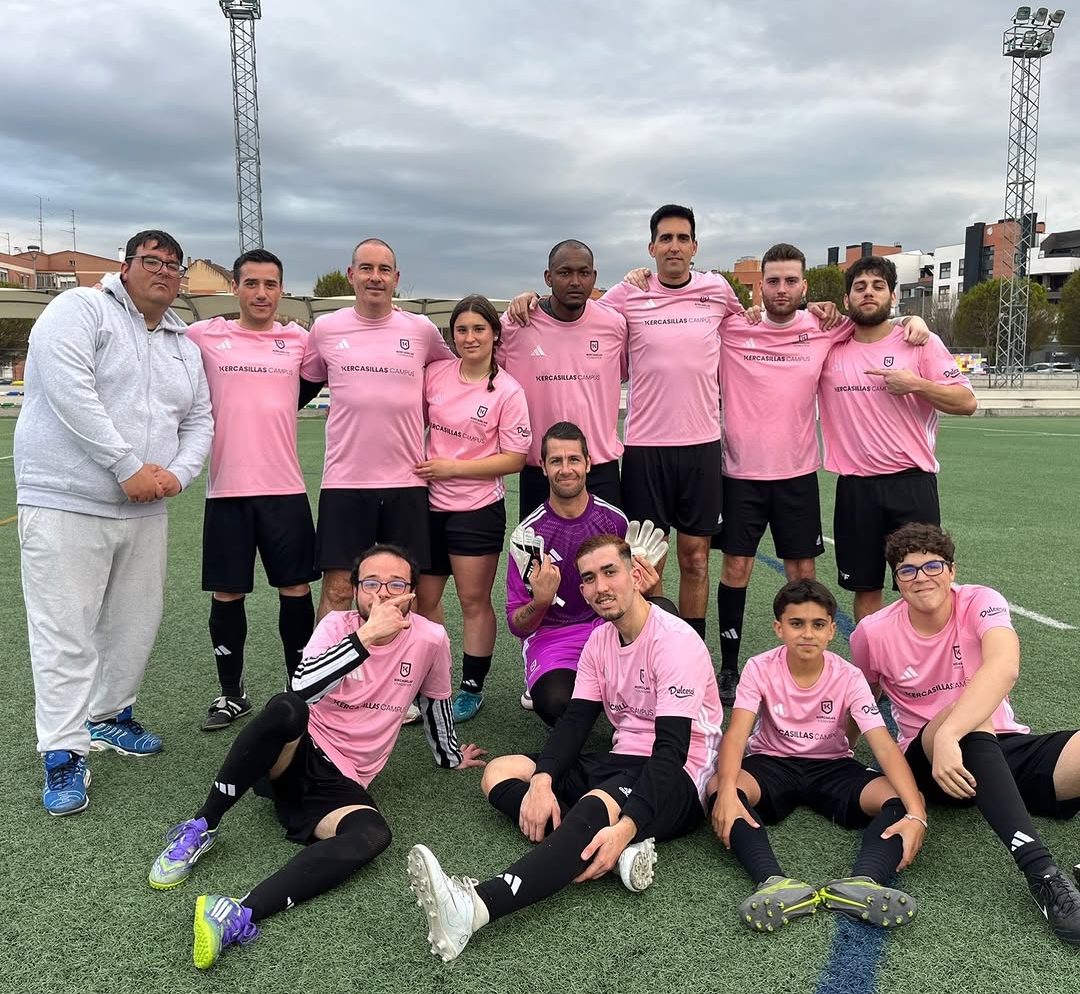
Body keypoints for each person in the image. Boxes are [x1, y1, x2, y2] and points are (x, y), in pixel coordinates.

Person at [146, 544, 486, 969]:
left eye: (396, 584)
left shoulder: (430, 638)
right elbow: (302, 688)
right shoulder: (335, 625)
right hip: (294, 751)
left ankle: (237, 910)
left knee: (373, 834)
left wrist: (451, 756)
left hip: (343, 782)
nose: (382, 594)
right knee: (285, 710)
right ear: (356, 589)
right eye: (372, 584)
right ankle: (201, 826)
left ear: (412, 594)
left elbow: (436, 700)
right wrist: (366, 637)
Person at [406, 534, 723, 962]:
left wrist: (628, 823)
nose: (600, 587)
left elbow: (671, 751)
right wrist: (541, 780)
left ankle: (476, 907)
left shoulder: (675, 642)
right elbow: (574, 724)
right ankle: (611, 855)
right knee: (499, 772)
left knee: (598, 804)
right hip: (622, 758)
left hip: (680, 776)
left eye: (610, 572)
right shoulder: (599, 641)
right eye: (589, 578)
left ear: (635, 574)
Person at [15, 229, 213, 816]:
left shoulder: (182, 341)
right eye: (152, 261)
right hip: (66, 500)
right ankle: (63, 752)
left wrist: (176, 474)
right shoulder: (77, 310)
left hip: (145, 508)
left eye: (173, 265)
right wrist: (125, 465)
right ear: (126, 267)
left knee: (134, 625)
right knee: (64, 631)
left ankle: (108, 716)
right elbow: (69, 391)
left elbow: (199, 419)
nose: (164, 272)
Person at [508, 207, 744, 642]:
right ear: (651, 247)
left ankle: (685, 650)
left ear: (695, 247)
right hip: (643, 449)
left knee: (695, 559)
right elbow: (563, 309)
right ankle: (624, 647)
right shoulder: (622, 296)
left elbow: (752, 324)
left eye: (683, 238)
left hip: (703, 446)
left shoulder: (718, 290)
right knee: (642, 562)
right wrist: (526, 299)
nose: (674, 246)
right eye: (665, 238)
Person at [707, 244, 927, 704]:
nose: (781, 289)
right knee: (736, 567)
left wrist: (915, 321)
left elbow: (877, 322)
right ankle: (728, 667)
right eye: (773, 281)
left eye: (791, 281)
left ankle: (799, 662)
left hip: (798, 475)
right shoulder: (732, 327)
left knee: (803, 572)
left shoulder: (824, 327)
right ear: (760, 286)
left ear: (805, 287)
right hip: (740, 474)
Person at [850, 522, 1080, 945]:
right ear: (896, 581)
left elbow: (1004, 666)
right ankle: (1043, 876)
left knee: (980, 717)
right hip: (928, 761)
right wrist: (840, 753)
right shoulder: (873, 632)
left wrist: (952, 735)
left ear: (952, 570)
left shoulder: (980, 600)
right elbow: (859, 695)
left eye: (932, 565)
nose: (922, 577)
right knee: (970, 713)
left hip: (993, 745)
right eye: (907, 570)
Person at [710, 579, 926, 933]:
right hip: (772, 763)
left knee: (905, 798)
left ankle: (864, 884)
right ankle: (773, 883)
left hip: (832, 766)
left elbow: (883, 744)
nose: (807, 634)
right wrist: (727, 793)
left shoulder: (849, 676)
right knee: (721, 786)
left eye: (818, 624)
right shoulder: (760, 667)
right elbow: (736, 733)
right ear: (779, 628)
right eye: (796, 624)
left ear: (831, 631)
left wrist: (918, 812)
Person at [184, 249, 317, 730]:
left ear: (282, 290)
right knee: (226, 594)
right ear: (235, 288)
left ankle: (298, 687)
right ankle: (231, 693)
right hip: (226, 491)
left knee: (296, 589)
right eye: (252, 283)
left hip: (285, 489)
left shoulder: (300, 341)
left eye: (271, 284)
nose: (262, 293)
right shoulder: (203, 336)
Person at [300, 239, 454, 621]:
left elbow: (456, 376)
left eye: (384, 270)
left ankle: (412, 680)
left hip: (407, 483)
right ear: (352, 275)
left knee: (406, 592)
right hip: (345, 482)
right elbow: (300, 384)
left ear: (396, 279)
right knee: (338, 588)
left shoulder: (420, 330)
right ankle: (327, 679)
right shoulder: (325, 329)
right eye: (366, 268)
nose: (375, 277)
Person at [817, 256, 976, 622]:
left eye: (877, 286)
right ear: (846, 300)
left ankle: (923, 674)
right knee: (865, 589)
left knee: (924, 587)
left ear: (892, 296)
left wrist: (915, 384)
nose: (868, 293)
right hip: (857, 489)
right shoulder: (832, 346)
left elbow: (967, 402)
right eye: (860, 287)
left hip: (912, 485)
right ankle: (871, 679)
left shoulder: (919, 341)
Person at [414, 295, 531, 722]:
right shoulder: (436, 374)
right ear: (452, 336)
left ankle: (471, 688)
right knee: (424, 597)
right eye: (461, 330)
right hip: (427, 507)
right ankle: (433, 680)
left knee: (472, 600)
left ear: (494, 334)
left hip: (477, 510)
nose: (470, 337)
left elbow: (515, 458)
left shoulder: (508, 390)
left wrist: (453, 467)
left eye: (479, 329)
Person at [506, 422, 632, 723]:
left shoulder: (615, 522)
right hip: (555, 638)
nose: (566, 469)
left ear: (588, 464)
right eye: (556, 461)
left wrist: (642, 587)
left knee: (664, 612)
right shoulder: (528, 536)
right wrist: (541, 600)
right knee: (554, 701)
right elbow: (517, 625)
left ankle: (609, 687)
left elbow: (631, 600)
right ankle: (579, 688)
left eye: (574, 459)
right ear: (544, 469)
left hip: (608, 629)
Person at [497, 240, 627, 520]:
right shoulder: (517, 324)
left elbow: (626, 372)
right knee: (538, 560)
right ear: (548, 277)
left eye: (584, 273)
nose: (575, 281)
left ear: (594, 276)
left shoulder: (614, 324)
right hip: (541, 468)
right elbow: (486, 376)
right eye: (565, 273)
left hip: (599, 467)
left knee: (604, 559)